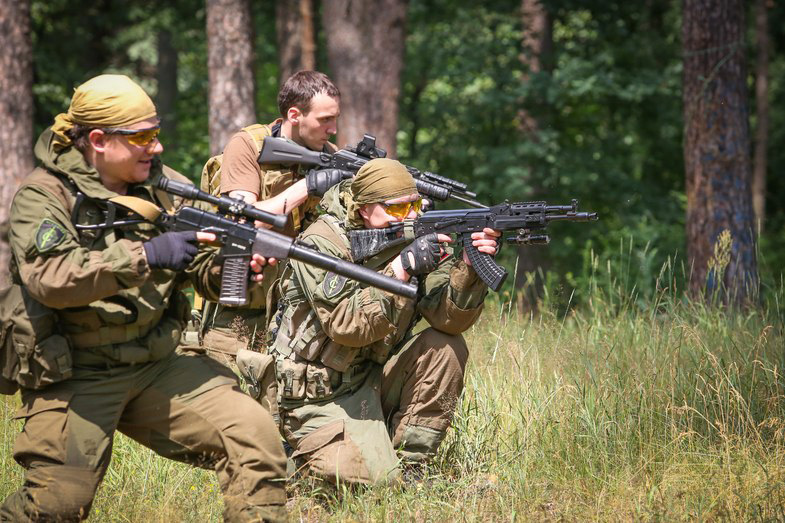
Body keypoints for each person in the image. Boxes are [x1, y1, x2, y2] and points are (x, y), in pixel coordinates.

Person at [0, 74, 287, 522]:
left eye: (157, 134)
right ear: (97, 140)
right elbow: (50, 279)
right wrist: (147, 255)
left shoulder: (165, 186)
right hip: (77, 371)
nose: (156, 148)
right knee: (55, 508)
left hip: (156, 362)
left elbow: (198, 269)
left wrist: (235, 270)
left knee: (255, 437)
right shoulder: (44, 195)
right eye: (142, 137)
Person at [265, 158, 501, 484]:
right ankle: (291, 462)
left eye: (415, 205)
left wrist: (469, 266)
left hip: (373, 377)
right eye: (398, 209)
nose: (412, 217)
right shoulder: (322, 243)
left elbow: (449, 321)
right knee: (372, 482)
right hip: (317, 394)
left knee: (444, 347)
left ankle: (412, 467)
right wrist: (401, 268)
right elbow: (345, 326)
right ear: (364, 209)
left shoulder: (410, 237)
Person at [200, 70, 348, 364]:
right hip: (240, 305)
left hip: (298, 310)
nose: (333, 129)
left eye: (335, 118)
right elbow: (239, 222)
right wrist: (306, 187)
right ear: (295, 115)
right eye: (324, 120)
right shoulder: (249, 146)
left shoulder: (330, 156)